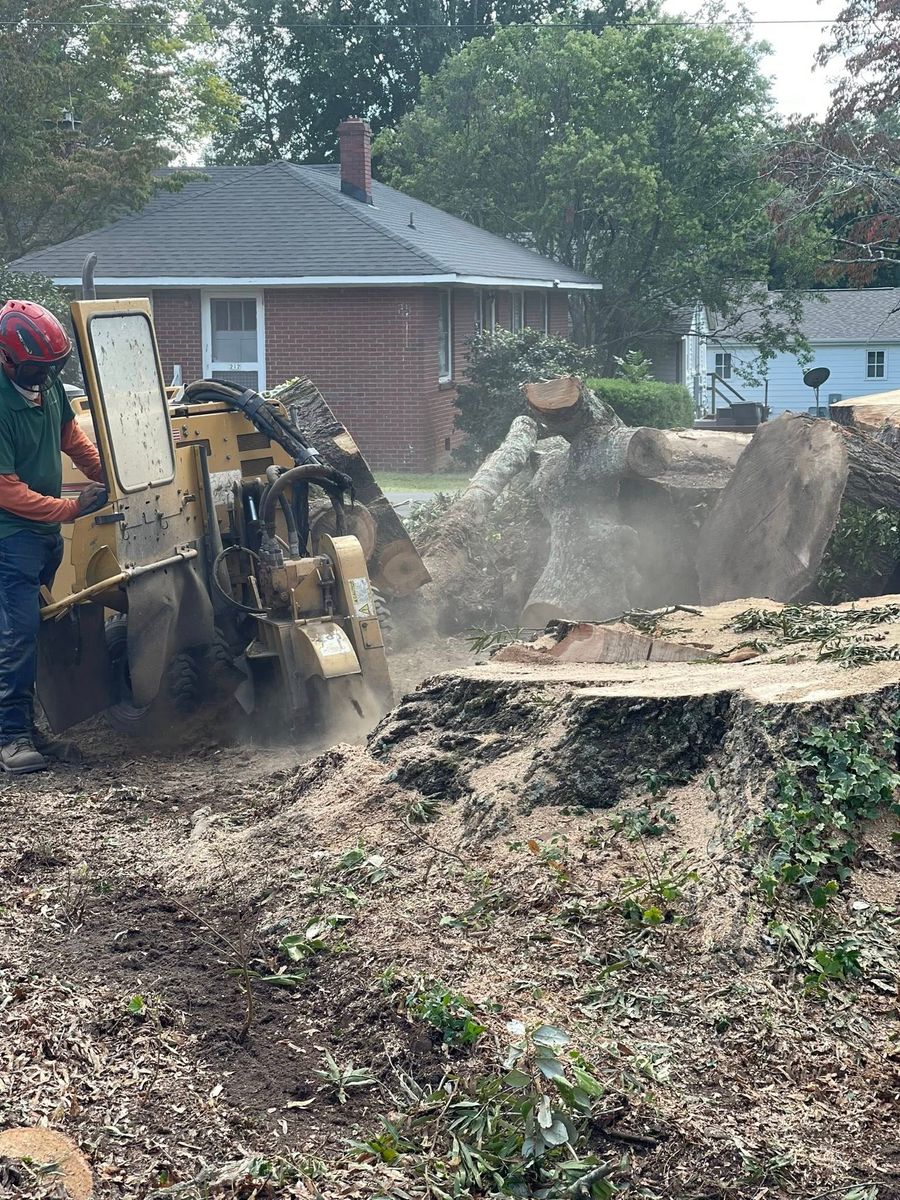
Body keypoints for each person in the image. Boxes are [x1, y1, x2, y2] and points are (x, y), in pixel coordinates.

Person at [0, 299, 106, 774]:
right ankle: (10, 738)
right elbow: (7, 491)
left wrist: (113, 474)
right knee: (16, 635)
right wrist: (70, 508)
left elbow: (71, 438)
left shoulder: (48, 389)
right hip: (9, 537)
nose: (43, 377)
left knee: (34, 631)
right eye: (34, 369)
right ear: (7, 359)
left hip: (42, 536)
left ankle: (29, 728)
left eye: (52, 368)